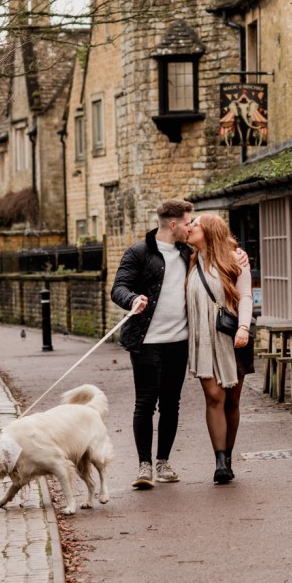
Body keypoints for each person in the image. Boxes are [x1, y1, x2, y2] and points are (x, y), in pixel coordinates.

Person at [111, 199, 194, 489]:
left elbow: (221, 258)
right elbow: (118, 288)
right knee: (145, 403)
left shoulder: (189, 253)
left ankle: (164, 463)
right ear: (173, 224)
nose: (190, 227)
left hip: (179, 341)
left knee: (171, 403)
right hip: (147, 342)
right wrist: (132, 299)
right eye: (187, 223)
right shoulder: (139, 252)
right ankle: (144, 466)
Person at [186, 214, 254, 484]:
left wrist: (244, 328)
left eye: (195, 224)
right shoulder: (190, 260)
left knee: (233, 400)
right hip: (203, 339)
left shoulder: (235, 259)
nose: (189, 227)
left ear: (211, 231)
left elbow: (246, 295)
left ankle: (228, 456)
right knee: (214, 395)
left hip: (233, 336)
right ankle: (219, 461)